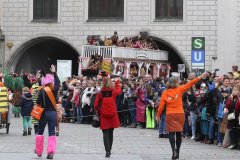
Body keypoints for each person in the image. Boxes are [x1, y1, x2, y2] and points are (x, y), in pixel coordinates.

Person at [156, 72, 208, 160]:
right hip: (180, 114)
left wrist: (158, 116)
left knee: (171, 133)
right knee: (179, 133)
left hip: (170, 114)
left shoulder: (165, 92)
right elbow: (190, 83)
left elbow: (161, 106)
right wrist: (199, 77)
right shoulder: (180, 89)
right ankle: (178, 151)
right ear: (176, 83)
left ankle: (173, 151)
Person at [34, 65, 60, 159]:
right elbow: (58, 83)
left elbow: (37, 103)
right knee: (51, 133)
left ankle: (39, 151)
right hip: (52, 113)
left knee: (40, 132)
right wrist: (55, 72)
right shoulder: (54, 90)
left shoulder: (42, 91)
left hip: (44, 113)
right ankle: (50, 152)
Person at [94, 76, 122, 158]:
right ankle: (110, 149)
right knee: (111, 132)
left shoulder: (100, 93)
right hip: (113, 115)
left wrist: (99, 110)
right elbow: (119, 91)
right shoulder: (113, 91)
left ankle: (107, 151)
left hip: (103, 115)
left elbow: (95, 104)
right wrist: (117, 83)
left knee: (105, 133)